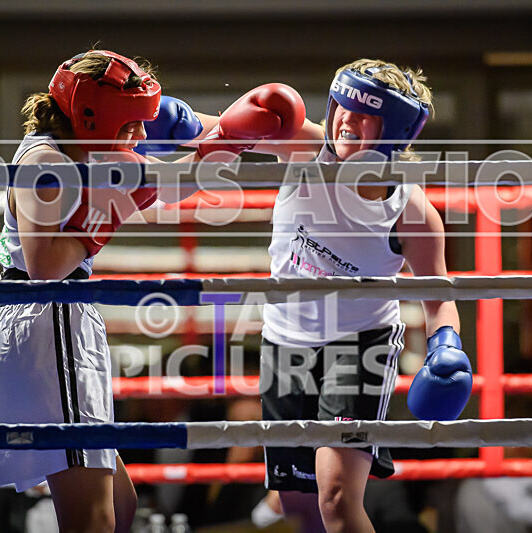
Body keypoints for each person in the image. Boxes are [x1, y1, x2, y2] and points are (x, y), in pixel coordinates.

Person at [0, 50, 304, 533]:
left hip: (53, 320)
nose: (139, 135)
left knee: (120, 506)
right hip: (48, 319)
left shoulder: (85, 142)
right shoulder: (46, 161)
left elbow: (169, 171)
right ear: (93, 116)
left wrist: (235, 136)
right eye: (130, 124)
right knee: (93, 518)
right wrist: (109, 212)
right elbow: (45, 265)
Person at [188, 59, 472, 532]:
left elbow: (438, 296)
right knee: (297, 504)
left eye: (364, 115)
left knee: (337, 498)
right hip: (284, 339)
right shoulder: (304, 148)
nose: (345, 119)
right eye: (342, 105)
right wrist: (162, 118)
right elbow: (223, 130)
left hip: (359, 345)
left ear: (394, 130)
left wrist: (446, 346)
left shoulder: (411, 209)